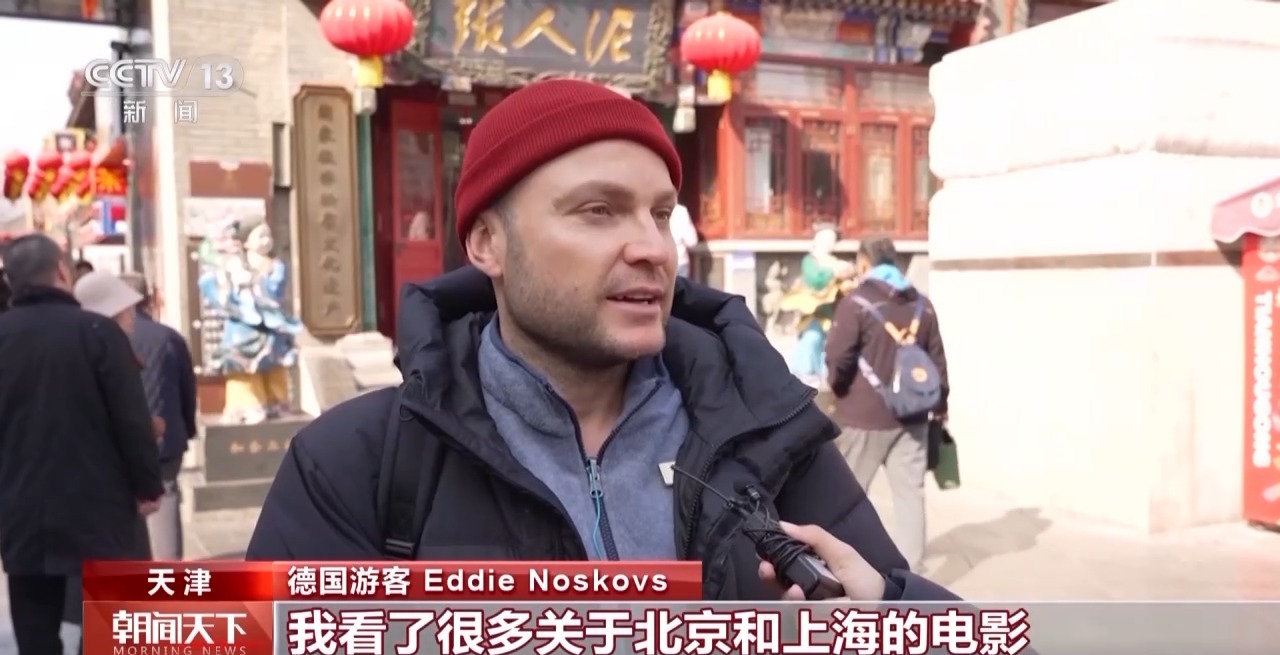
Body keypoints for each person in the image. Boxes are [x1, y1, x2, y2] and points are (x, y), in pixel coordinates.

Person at [246, 80, 958, 602]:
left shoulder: (766, 436)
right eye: (598, 211)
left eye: (660, 214)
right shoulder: (358, 463)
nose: (652, 248)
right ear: (488, 243)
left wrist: (888, 611)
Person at [0, 235, 162, 655]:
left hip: (20, 508)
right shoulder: (98, 332)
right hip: (99, 505)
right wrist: (148, 485)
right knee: (106, 621)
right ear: (61, 270)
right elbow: (131, 421)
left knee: (35, 627)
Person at [824, 235, 949, 572]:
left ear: (865, 263)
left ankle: (843, 570)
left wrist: (838, 390)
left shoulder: (855, 304)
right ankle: (911, 576)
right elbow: (937, 363)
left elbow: (837, 358)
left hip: (862, 418)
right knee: (910, 498)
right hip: (913, 417)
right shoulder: (923, 306)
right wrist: (940, 407)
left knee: (846, 500)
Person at [119, 273, 199, 560]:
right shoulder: (168, 337)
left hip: (122, 439)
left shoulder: (106, 336)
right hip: (166, 439)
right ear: (148, 298)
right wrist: (187, 428)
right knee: (165, 498)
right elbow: (187, 389)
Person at [669, 202, 698, 278]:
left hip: (662, 262)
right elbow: (692, 242)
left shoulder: (654, 209)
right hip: (680, 261)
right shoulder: (680, 211)